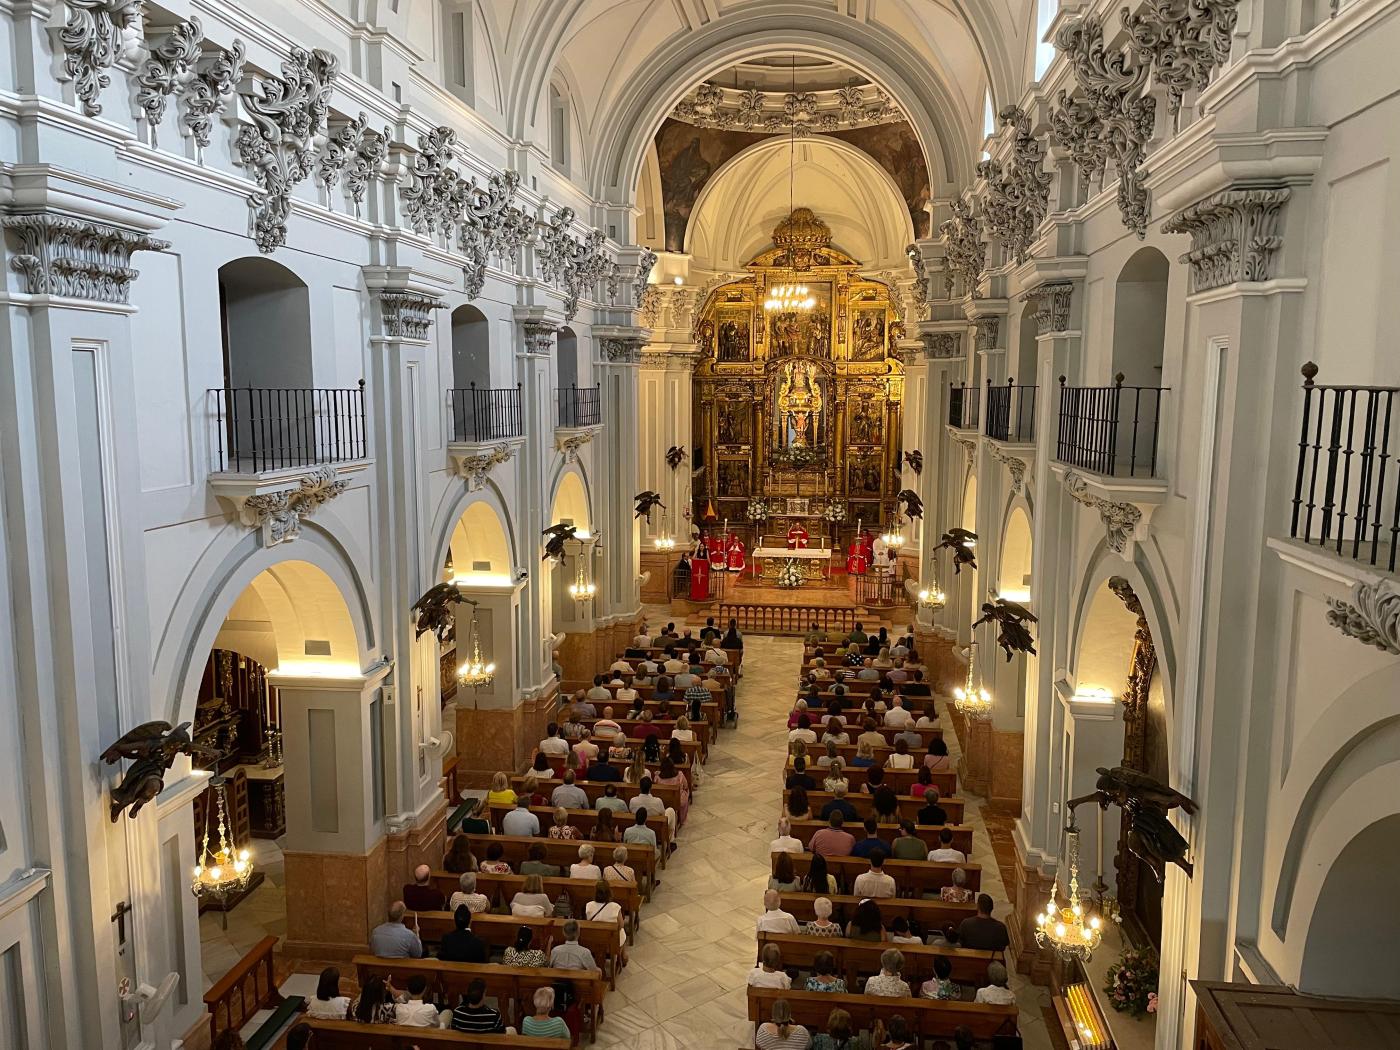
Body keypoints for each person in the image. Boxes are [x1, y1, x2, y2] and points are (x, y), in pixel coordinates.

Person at [583, 880, 628, 954]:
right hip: (612, 941)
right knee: (621, 932)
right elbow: (621, 925)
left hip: (594, 939)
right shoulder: (615, 906)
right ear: (609, 893)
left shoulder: (589, 905)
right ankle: (622, 955)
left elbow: (588, 922)